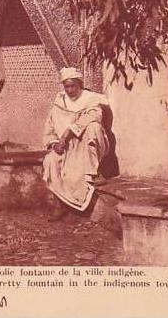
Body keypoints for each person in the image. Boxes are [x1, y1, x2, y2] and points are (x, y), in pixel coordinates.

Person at [42, 67, 111, 221]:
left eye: (73, 86)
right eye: (67, 86)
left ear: (80, 85)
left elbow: (95, 116)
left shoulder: (91, 99)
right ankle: (60, 205)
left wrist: (68, 133)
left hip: (85, 145)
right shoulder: (60, 101)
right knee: (50, 161)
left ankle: (94, 171)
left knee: (94, 127)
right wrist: (55, 144)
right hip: (65, 147)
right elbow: (50, 126)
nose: (70, 90)